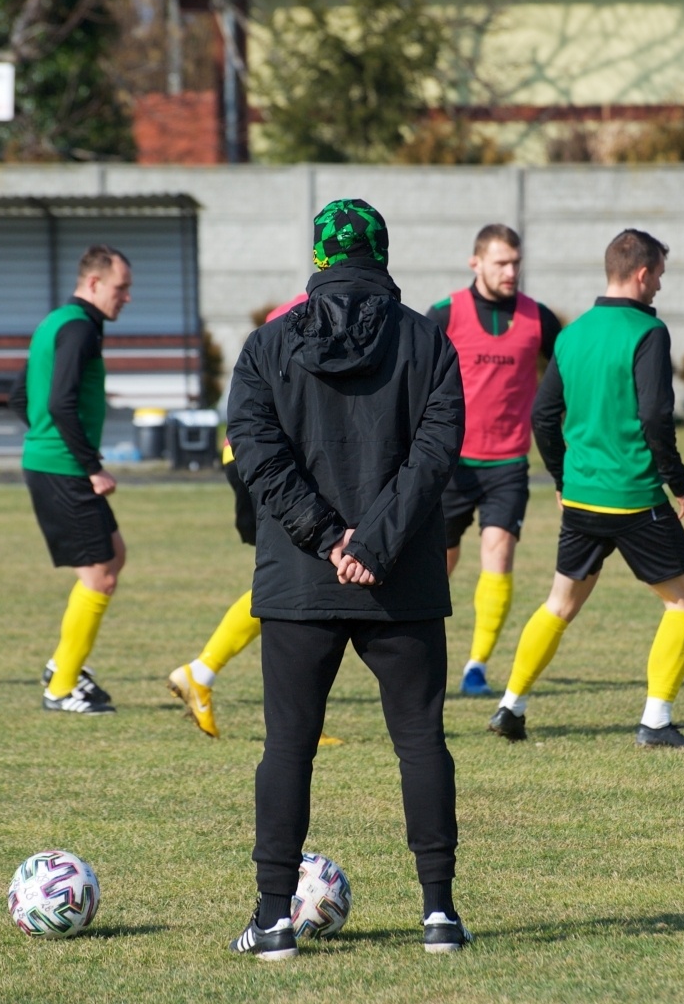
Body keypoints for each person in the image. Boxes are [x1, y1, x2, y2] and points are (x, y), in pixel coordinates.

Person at [225, 199, 470, 958]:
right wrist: (370, 541)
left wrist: (328, 538)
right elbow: (436, 453)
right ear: (382, 254)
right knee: (420, 742)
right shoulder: (428, 341)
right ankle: (439, 913)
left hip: (302, 578)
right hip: (401, 579)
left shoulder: (268, 344)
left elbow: (255, 451)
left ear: (320, 257)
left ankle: (273, 919)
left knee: (288, 747)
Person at [487, 229, 684, 749]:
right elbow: (655, 415)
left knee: (559, 604)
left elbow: (543, 416)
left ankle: (511, 705)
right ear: (642, 273)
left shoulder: (573, 333)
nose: (660, 287)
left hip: (582, 499)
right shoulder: (648, 332)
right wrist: (678, 482)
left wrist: (563, 479)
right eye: (659, 276)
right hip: (635, 498)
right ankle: (656, 722)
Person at [168, 294, 343, 747]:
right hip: (269, 462)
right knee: (295, 581)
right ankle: (204, 673)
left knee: (294, 581)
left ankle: (209, 676)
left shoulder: (304, 307)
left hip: (253, 457)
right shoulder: (312, 310)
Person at [426, 225, 561, 696]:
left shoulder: (538, 318)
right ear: (476, 263)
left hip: (508, 464)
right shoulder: (444, 314)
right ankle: (421, 655)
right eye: (501, 262)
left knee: (499, 554)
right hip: (451, 464)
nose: (510, 271)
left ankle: (476, 667)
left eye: (516, 262)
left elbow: (567, 374)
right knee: (438, 564)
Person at [10, 245, 133, 714]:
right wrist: (90, 465)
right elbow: (60, 402)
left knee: (113, 556)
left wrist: (44, 441)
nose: (127, 297)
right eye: (121, 288)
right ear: (94, 283)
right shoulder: (80, 328)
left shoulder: (57, 321)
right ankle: (61, 688)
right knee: (100, 576)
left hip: (54, 460)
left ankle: (63, 665)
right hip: (63, 466)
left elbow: (19, 396)